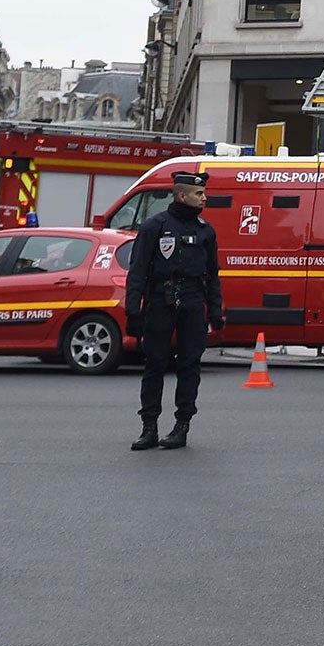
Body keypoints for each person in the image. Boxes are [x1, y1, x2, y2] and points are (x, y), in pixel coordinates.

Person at [124, 170, 224, 451]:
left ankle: (181, 427)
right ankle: (149, 428)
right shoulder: (154, 227)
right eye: (199, 194)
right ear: (182, 195)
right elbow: (138, 271)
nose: (204, 198)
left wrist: (215, 311)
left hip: (193, 302)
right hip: (160, 300)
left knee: (190, 366)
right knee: (155, 364)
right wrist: (133, 311)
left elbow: (212, 275)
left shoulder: (205, 231)